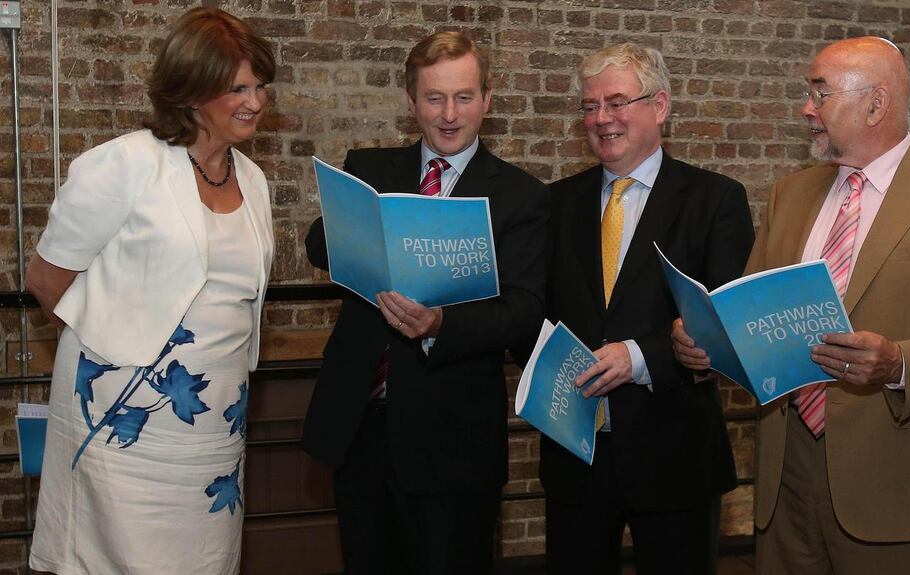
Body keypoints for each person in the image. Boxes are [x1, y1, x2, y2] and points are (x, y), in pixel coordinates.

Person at [672, 37, 910, 574]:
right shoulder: (790, 194)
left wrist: (898, 362)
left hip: (892, 476)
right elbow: (753, 316)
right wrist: (705, 340)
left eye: (820, 94)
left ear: (876, 105)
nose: (807, 109)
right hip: (786, 472)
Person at [26, 8, 275, 574]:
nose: (255, 101)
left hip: (214, 428)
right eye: (237, 87)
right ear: (191, 93)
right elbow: (46, 279)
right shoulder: (124, 165)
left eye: (260, 86)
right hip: (123, 424)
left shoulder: (254, 180)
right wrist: (118, 346)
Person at [302, 31, 549, 575]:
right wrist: (369, 228)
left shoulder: (520, 196)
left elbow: (523, 310)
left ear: (487, 99)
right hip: (360, 429)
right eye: (434, 98)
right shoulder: (369, 169)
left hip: (452, 442)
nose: (449, 114)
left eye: (463, 97)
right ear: (411, 101)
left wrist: (441, 322)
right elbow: (319, 245)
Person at [540, 43, 753, 575]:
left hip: (674, 457)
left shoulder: (715, 200)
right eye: (589, 107)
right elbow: (535, 312)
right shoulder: (557, 203)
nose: (601, 119)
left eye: (616, 102)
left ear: (659, 106)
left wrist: (639, 356)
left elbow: (726, 320)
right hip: (575, 456)